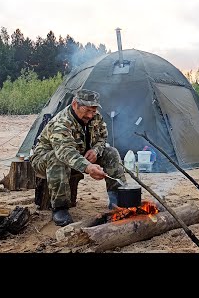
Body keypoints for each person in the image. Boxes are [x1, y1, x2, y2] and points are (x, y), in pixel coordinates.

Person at [30, 89, 127, 226]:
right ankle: (60, 208)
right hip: (45, 159)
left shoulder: (96, 116)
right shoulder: (62, 122)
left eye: (93, 111)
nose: (90, 115)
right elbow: (65, 151)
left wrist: (95, 150)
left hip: (80, 155)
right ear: (75, 104)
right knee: (57, 158)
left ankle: (117, 199)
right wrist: (87, 167)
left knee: (111, 152)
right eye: (87, 110)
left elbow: (102, 138)